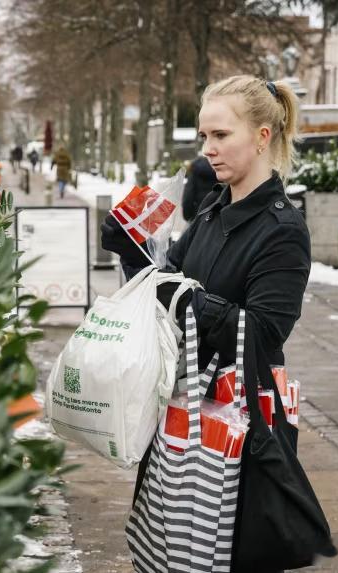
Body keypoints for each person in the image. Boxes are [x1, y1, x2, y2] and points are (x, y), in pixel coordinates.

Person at [101, 76, 309, 525]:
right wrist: (131, 251)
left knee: (229, 553)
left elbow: (262, 333)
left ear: (262, 136)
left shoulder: (283, 230)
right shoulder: (214, 207)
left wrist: (182, 296)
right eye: (204, 137)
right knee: (175, 545)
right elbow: (164, 290)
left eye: (220, 135)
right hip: (185, 411)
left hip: (239, 430)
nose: (208, 149)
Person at [181, 154, 219, 221]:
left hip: (198, 215)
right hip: (219, 215)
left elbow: (188, 196)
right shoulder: (220, 169)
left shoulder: (195, 171)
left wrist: (187, 216)